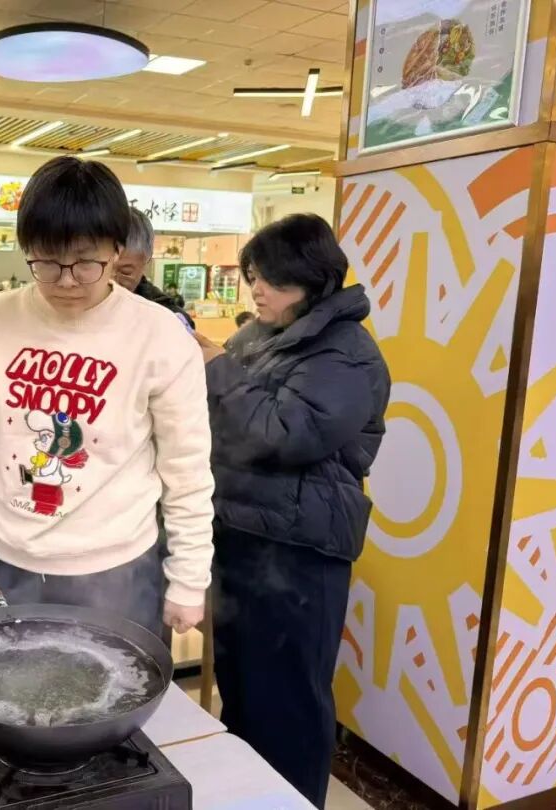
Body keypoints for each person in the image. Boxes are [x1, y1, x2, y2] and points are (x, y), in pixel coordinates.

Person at [0, 156, 214, 640]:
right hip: (3, 556)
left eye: (85, 262)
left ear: (117, 250)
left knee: (111, 686)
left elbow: (187, 468)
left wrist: (189, 578)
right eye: (47, 262)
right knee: (2, 684)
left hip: (114, 569)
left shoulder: (158, 333)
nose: (67, 280)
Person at [196, 213, 390, 808]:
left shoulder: (346, 352)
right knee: (243, 692)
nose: (256, 290)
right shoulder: (262, 334)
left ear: (313, 279)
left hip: (300, 553)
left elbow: (285, 433)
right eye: (254, 276)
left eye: (271, 279)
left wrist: (216, 368)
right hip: (242, 539)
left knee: (291, 705)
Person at [113, 209, 195, 331]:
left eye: (125, 272)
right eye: (98, 267)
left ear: (146, 262)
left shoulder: (169, 317)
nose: (110, 281)